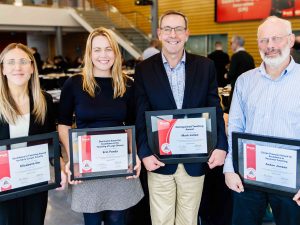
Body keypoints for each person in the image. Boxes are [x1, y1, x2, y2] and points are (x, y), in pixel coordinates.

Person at [134, 10, 228, 225]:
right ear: (159, 33)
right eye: (167, 29)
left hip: (194, 159)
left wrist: (221, 146)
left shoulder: (205, 67)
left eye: (178, 29)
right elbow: (140, 114)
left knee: (189, 220)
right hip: (158, 159)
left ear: (187, 34)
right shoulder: (144, 70)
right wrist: (145, 152)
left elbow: (214, 108)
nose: (173, 34)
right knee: (161, 221)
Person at [58, 27, 144, 225]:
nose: (103, 55)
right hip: (87, 165)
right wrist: (73, 159)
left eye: (108, 49)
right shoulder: (74, 84)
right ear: (89, 53)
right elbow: (63, 124)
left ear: (116, 52)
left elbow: (131, 124)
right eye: (97, 50)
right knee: (92, 219)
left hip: (119, 162)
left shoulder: (127, 84)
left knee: (117, 219)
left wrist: (134, 155)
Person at [224, 16, 300, 225]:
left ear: (291, 40)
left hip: (293, 181)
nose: (270, 46)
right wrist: (229, 168)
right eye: (264, 40)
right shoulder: (245, 81)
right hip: (247, 177)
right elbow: (235, 127)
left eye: (276, 38)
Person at [0, 43, 66, 225]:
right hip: (3, 184)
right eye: (11, 62)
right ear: (3, 69)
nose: (17, 67)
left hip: (35, 180)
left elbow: (49, 139)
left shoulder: (42, 100)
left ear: (31, 67)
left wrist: (60, 167)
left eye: (23, 61)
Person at [227, 35, 255, 110]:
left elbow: (231, 74)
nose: (231, 45)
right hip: (249, 90)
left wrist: (226, 75)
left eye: (231, 43)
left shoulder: (235, 56)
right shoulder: (250, 56)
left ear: (236, 43)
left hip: (237, 89)